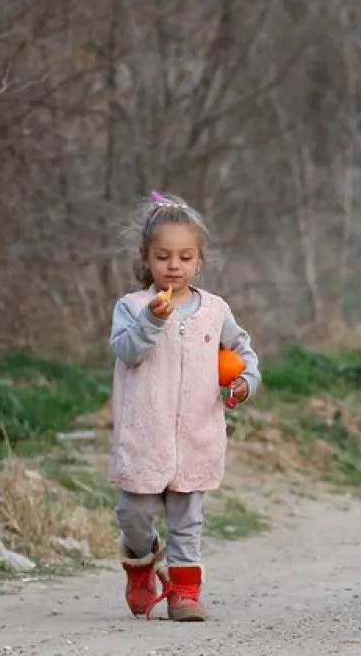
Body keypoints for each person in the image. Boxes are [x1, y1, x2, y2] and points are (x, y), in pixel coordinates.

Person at [111, 192, 260, 622]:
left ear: (200, 261)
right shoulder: (133, 307)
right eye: (163, 256)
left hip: (197, 434)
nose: (173, 265)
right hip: (145, 436)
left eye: (184, 256)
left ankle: (184, 593)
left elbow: (243, 353)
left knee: (187, 522)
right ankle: (140, 566)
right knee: (134, 514)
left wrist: (244, 382)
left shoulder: (215, 311)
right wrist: (152, 321)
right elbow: (127, 351)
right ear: (146, 259)